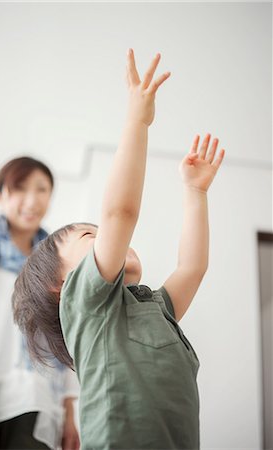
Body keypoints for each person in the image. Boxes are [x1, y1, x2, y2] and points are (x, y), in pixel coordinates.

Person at [12, 49, 225, 449]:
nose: (112, 239)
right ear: (63, 287)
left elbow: (191, 268)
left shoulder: (156, 308)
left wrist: (196, 192)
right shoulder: (88, 309)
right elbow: (120, 213)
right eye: (91, 237)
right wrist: (137, 121)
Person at [0, 156, 80, 450]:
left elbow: (65, 340)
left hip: (34, 396)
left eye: (42, 189)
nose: (32, 201)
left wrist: (70, 414)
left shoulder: (60, 265)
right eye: (20, 188)